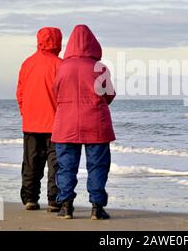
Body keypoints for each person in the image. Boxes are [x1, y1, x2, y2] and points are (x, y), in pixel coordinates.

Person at [51, 24, 116, 220]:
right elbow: (110, 95)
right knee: (97, 165)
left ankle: (66, 206)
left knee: (66, 166)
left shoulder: (62, 67)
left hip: (67, 123)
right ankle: (97, 207)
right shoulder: (100, 68)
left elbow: (56, 93)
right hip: (96, 122)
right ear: (93, 43)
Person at [16, 27, 63, 212]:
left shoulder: (27, 64)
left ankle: (30, 199)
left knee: (31, 162)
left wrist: (25, 113)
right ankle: (54, 200)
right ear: (58, 42)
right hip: (56, 124)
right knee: (56, 164)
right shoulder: (61, 65)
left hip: (31, 122)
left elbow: (20, 93)